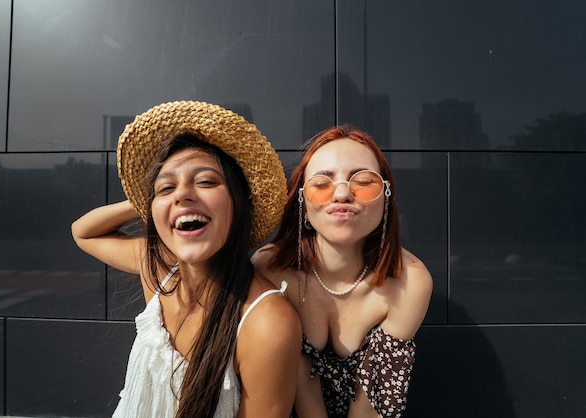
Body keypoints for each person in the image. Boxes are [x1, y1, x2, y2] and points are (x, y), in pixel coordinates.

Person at [71, 101, 302, 418]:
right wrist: (150, 199)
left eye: (206, 181)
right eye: (167, 187)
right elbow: (83, 232)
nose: (182, 194)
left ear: (239, 202)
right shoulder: (161, 272)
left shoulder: (267, 322)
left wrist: (163, 195)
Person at [252, 125, 433, 418]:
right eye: (321, 184)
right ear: (302, 201)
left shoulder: (410, 281)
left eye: (363, 181)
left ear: (386, 196)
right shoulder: (270, 270)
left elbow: (372, 401)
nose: (341, 193)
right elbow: (297, 381)